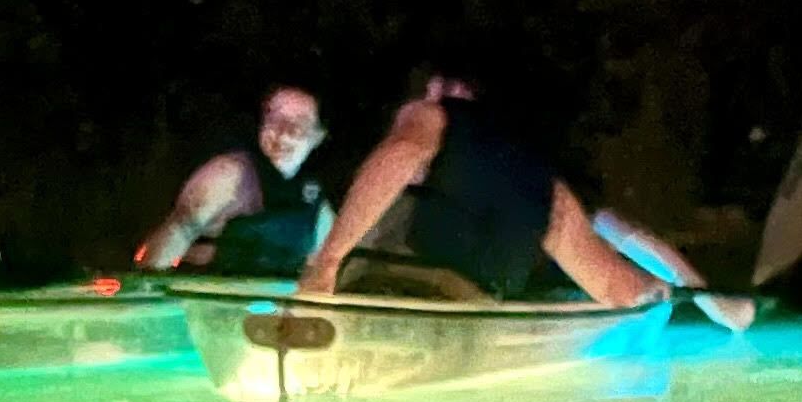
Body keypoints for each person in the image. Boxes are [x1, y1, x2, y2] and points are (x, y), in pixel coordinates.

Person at [299, 70, 747, 322]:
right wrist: (669, 297)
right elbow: (616, 280)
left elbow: (401, 152)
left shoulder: (432, 116)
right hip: (472, 304)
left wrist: (326, 263)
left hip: (398, 290)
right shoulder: (549, 191)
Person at [138, 86, 331, 272]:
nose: (284, 133)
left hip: (275, 301)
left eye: (300, 123)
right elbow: (172, 239)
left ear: (318, 136)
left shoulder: (316, 199)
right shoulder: (227, 175)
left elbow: (321, 265)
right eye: (275, 119)